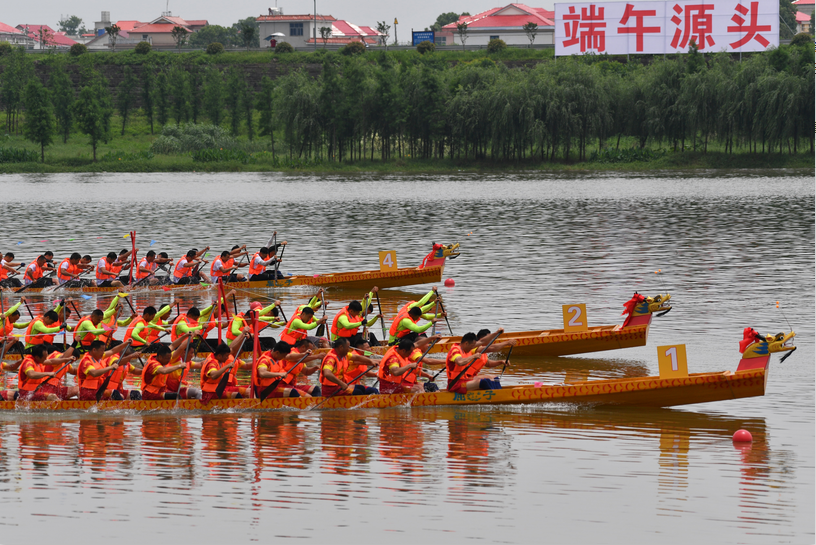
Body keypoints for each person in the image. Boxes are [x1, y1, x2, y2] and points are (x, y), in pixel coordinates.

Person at [445, 329, 516, 394]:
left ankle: (499, 394)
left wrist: (496, 333)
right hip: (456, 384)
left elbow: (482, 341)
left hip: (466, 379)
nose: (473, 348)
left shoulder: (468, 347)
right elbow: (460, 362)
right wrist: (473, 356)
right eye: (472, 346)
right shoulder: (455, 350)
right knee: (485, 382)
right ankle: (494, 397)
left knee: (495, 379)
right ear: (466, 343)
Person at [199, 329, 251, 403]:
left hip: (217, 389)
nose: (228, 358)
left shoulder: (218, 356)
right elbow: (213, 375)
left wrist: (242, 337)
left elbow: (232, 348)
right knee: (238, 394)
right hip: (210, 393)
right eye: (226, 356)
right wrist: (226, 367)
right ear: (220, 355)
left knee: (250, 389)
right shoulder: (212, 363)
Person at [377, 337, 444, 394]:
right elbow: (396, 372)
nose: (410, 355)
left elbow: (417, 344)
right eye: (409, 353)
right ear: (403, 351)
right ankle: (423, 404)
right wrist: (409, 366)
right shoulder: (393, 358)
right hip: (389, 386)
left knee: (420, 387)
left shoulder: (400, 349)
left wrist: (432, 338)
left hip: (398, 383)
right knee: (417, 389)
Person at [140, 336, 193, 400]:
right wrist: (179, 366)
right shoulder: (153, 365)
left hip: (159, 390)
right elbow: (164, 371)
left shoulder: (163, 356)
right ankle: (179, 409)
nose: (169, 361)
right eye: (167, 359)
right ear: (160, 357)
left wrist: (186, 335)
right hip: (150, 394)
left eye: (169, 358)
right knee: (176, 396)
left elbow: (173, 345)